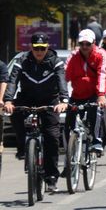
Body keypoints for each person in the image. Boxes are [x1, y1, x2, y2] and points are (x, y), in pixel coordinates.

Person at [3, 33, 69, 192]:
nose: (39, 51)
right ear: (31, 47)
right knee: (15, 113)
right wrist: (8, 100)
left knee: (52, 136)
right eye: (36, 48)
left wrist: (63, 101)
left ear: (47, 47)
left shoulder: (56, 61)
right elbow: (12, 81)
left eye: (42, 48)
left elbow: (61, 80)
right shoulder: (22, 61)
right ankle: (22, 147)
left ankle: (51, 177)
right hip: (27, 98)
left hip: (50, 101)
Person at [65, 29, 106, 152]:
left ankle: (96, 140)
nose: (84, 47)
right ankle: (69, 156)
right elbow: (65, 75)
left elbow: (102, 74)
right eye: (81, 44)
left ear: (94, 43)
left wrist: (101, 95)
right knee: (69, 120)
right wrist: (60, 96)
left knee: (95, 112)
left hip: (95, 93)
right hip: (77, 94)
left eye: (88, 44)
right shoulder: (73, 56)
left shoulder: (101, 54)